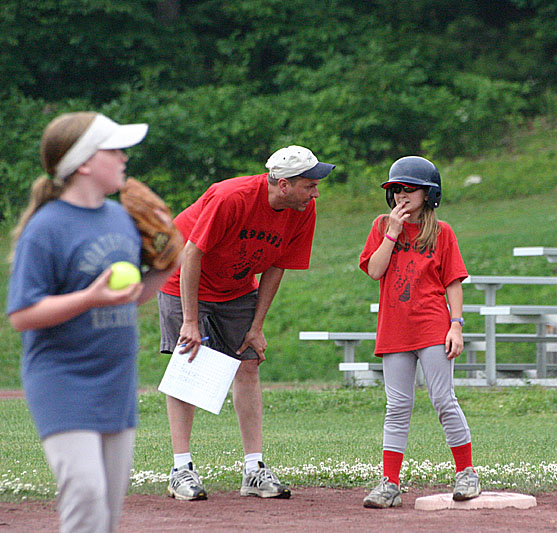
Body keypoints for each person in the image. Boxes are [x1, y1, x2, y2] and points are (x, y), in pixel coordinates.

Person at [6, 112, 179, 533]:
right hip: (62, 378)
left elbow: (131, 295)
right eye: (114, 149)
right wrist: (89, 297)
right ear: (84, 162)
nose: (124, 157)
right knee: (85, 492)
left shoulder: (119, 218)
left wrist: (168, 263)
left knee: (108, 509)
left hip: (116, 379)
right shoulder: (45, 229)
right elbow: (22, 315)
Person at [158, 145, 334, 501]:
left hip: (235, 286)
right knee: (188, 364)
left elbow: (277, 264)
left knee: (249, 363)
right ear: (283, 184)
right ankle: (181, 469)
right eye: (308, 184)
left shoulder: (302, 210)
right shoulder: (231, 197)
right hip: (183, 277)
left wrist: (257, 325)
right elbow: (191, 253)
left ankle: (254, 469)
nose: (315, 192)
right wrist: (190, 320)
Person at [358, 155, 480, 508]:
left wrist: (456, 325)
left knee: (443, 399)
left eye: (409, 189)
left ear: (429, 194)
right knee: (397, 406)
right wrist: (393, 234)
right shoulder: (382, 226)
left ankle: (466, 472)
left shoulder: (442, 232)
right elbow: (375, 271)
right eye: (396, 189)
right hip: (394, 330)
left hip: (432, 327)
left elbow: (453, 283)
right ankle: (390, 484)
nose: (401, 196)